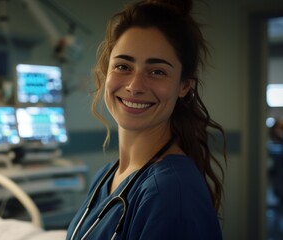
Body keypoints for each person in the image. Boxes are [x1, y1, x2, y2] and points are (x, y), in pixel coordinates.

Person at [66, 0, 227, 239]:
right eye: (123, 66)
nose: (135, 86)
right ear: (105, 72)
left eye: (157, 71)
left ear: (184, 85)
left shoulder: (172, 193)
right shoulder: (106, 176)